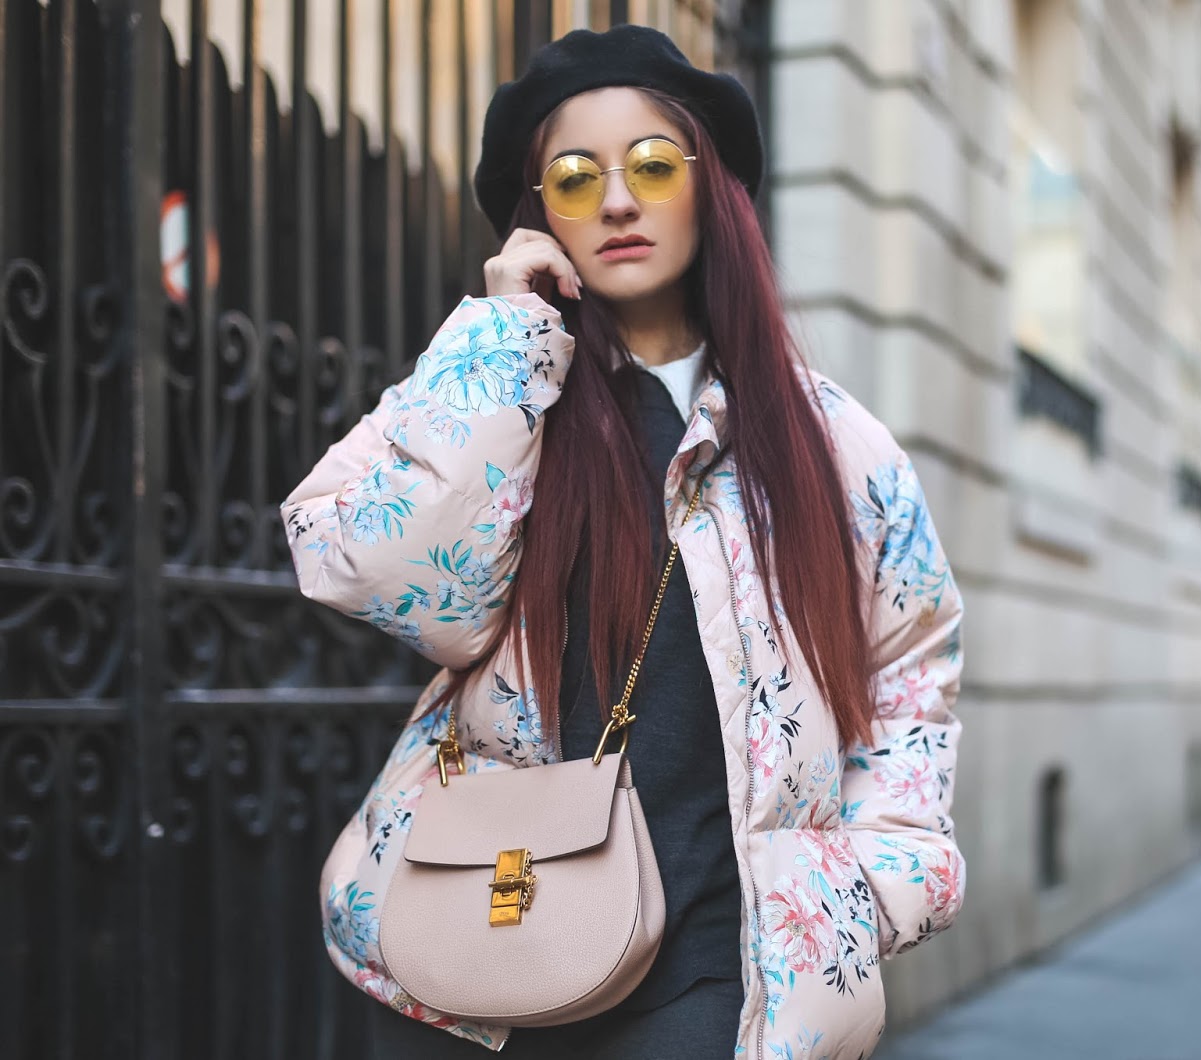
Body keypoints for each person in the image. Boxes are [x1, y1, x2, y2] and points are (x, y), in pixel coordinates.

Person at [281, 24, 965, 1059]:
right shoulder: (505, 397)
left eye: (651, 163)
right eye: (572, 177)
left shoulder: (833, 446)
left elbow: (910, 668)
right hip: (491, 949)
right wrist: (508, 339)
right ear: (537, 214)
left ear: (713, 190)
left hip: (717, 967)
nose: (615, 200)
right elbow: (376, 572)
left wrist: (868, 888)